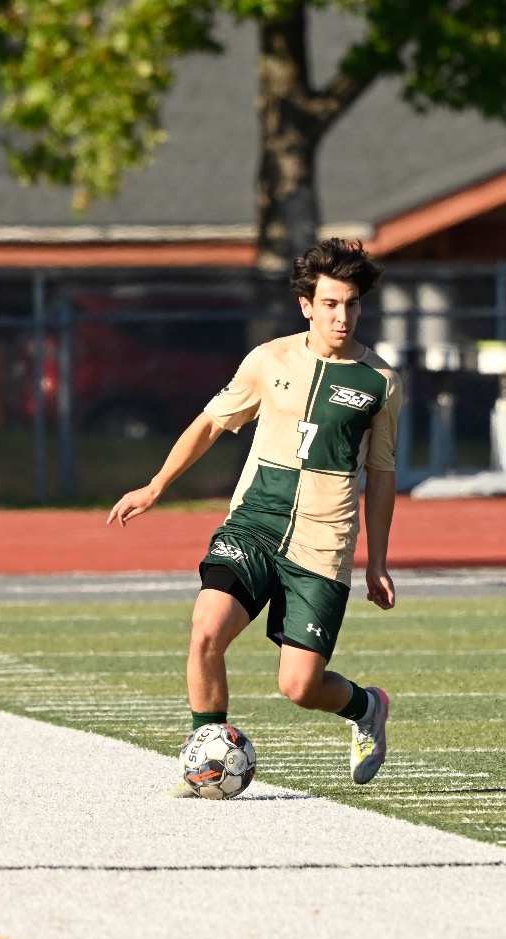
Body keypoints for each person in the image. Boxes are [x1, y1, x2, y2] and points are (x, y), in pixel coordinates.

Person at [107, 239, 400, 789]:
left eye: (352, 304)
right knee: (205, 632)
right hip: (254, 522)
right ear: (306, 305)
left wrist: (377, 561)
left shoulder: (381, 382)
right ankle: (208, 754)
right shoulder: (268, 360)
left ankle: (366, 707)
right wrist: (156, 485)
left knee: (300, 687)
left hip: (323, 540)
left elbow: (381, 476)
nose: (343, 316)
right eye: (332, 304)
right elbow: (213, 422)